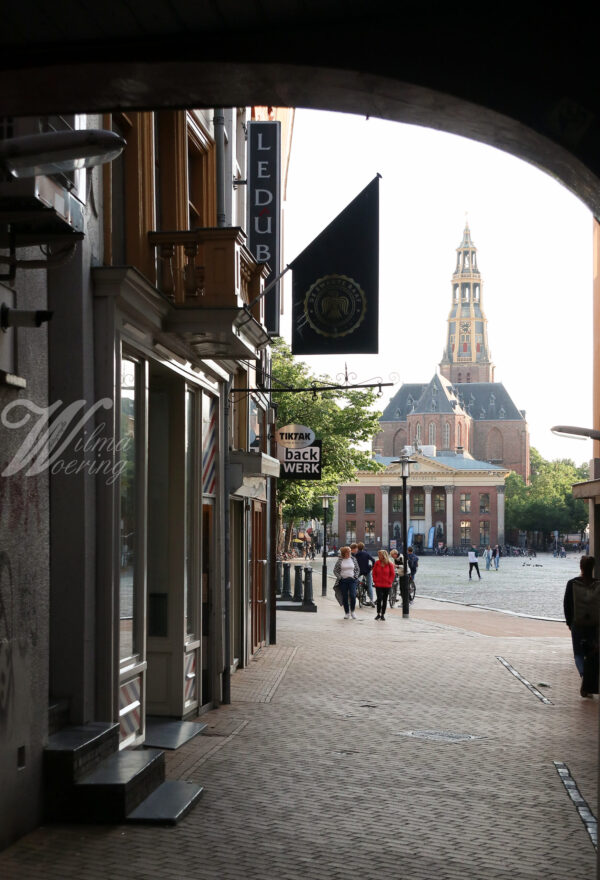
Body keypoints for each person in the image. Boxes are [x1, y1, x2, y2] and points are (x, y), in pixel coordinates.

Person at [563, 555, 600, 697]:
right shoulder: (597, 584)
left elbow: (567, 604)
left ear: (581, 567)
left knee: (578, 653)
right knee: (591, 653)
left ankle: (584, 676)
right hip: (593, 624)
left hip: (577, 623)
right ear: (593, 568)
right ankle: (588, 683)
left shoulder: (572, 583)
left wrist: (569, 622)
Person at [333, 545, 360, 619]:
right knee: (344, 596)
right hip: (343, 581)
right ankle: (347, 613)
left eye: (350, 552)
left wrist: (355, 576)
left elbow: (357, 569)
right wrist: (340, 577)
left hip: (352, 580)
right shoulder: (340, 560)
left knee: (353, 595)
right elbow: (335, 570)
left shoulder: (353, 559)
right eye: (347, 553)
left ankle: (353, 612)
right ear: (344, 553)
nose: (349, 554)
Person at [372, 549, 396, 621]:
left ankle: (383, 614)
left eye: (380, 555)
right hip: (378, 584)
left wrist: (389, 581)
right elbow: (374, 572)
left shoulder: (390, 564)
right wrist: (375, 580)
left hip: (387, 585)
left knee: (385, 600)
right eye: (378, 555)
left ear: (383, 556)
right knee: (379, 599)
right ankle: (378, 613)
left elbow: (392, 574)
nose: (378, 556)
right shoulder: (377, 563)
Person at [351, 541, 375, 605]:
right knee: (369, 585)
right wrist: (372, 567)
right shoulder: (366, 554)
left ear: (357, 548)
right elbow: (373, 560)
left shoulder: (356, 555)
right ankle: (371, 600)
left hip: (358, 571)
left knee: (354, 583)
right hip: (367, 571)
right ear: (363, 547)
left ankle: (356, 593)